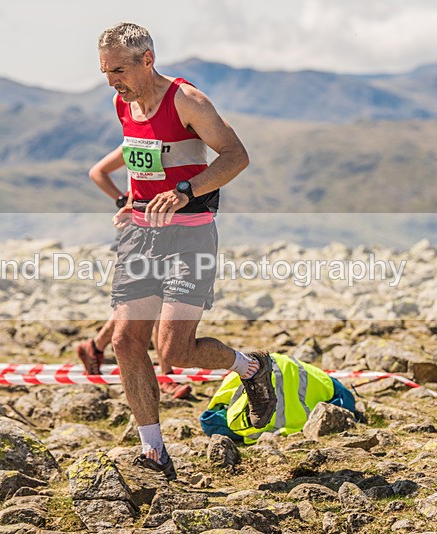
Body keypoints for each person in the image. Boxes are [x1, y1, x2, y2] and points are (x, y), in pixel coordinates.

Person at [97, 22, 275, 480]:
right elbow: (143, 157)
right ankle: (154, 453)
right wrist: (134, 201)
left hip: (190, 236)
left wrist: (185, 191)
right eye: (105, 72)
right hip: (141, 236)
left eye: (118, 70)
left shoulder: (187, 100)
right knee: (124, 340)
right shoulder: (123, 102)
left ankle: (251, 367)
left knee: (174, 350)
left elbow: (236, 156)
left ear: (147, 60)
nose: (112, 81)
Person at [77, 146, 192, 399]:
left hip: (162, 226)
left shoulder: (162, 141)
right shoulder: (141, 141)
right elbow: (97, 172)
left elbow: (98, 172)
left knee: (144, 301)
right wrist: (124, 201)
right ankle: (167, 376)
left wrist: (123, 200)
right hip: (142, 227)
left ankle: (95, 346)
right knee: (155, 299)